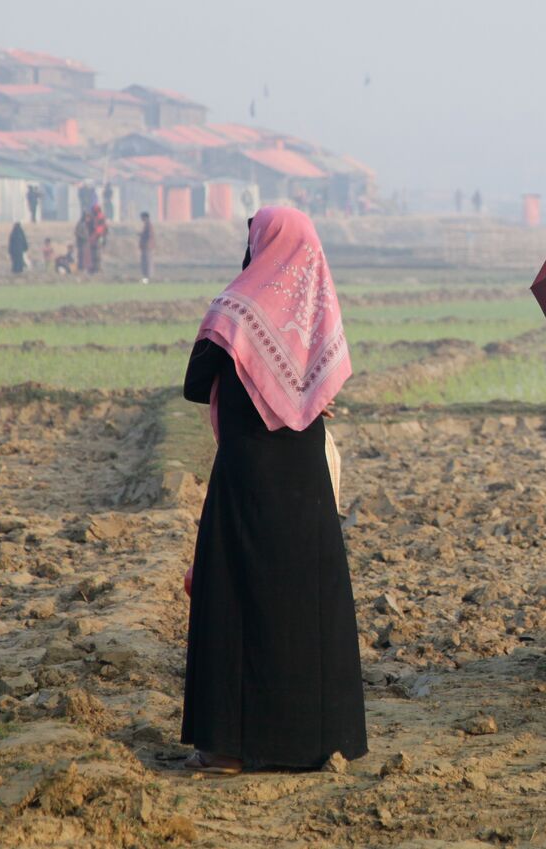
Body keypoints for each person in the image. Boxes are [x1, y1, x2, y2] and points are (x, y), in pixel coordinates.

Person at [180, 206, 366, 773]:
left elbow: (193, 387)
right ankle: (314, 744)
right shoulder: (317, 315)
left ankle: (228, 749)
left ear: (259, 244)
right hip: (302, 483)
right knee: (306, 599)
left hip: (244, 477)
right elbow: (320, 392)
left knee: (236, 595)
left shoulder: (233, 309)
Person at [87, 204, 107, 274]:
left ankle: (97, 269)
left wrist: (94, 236)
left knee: (97, 254)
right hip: (95, 238)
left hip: (97, 238)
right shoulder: (96, 217)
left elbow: (99, 229)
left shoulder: (99, 217)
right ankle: (94, 268)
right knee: (93, 254)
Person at [138, 212, 155, 282]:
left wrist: (146, 243)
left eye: (142, 217)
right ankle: (146, 276)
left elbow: (149, 236)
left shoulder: (148, 225)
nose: (141, 219)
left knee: (147, 261)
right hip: (146, 246)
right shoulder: (147, 225)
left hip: (147, 246)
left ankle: (148, 277)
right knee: (145, 261)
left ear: (145, 217)